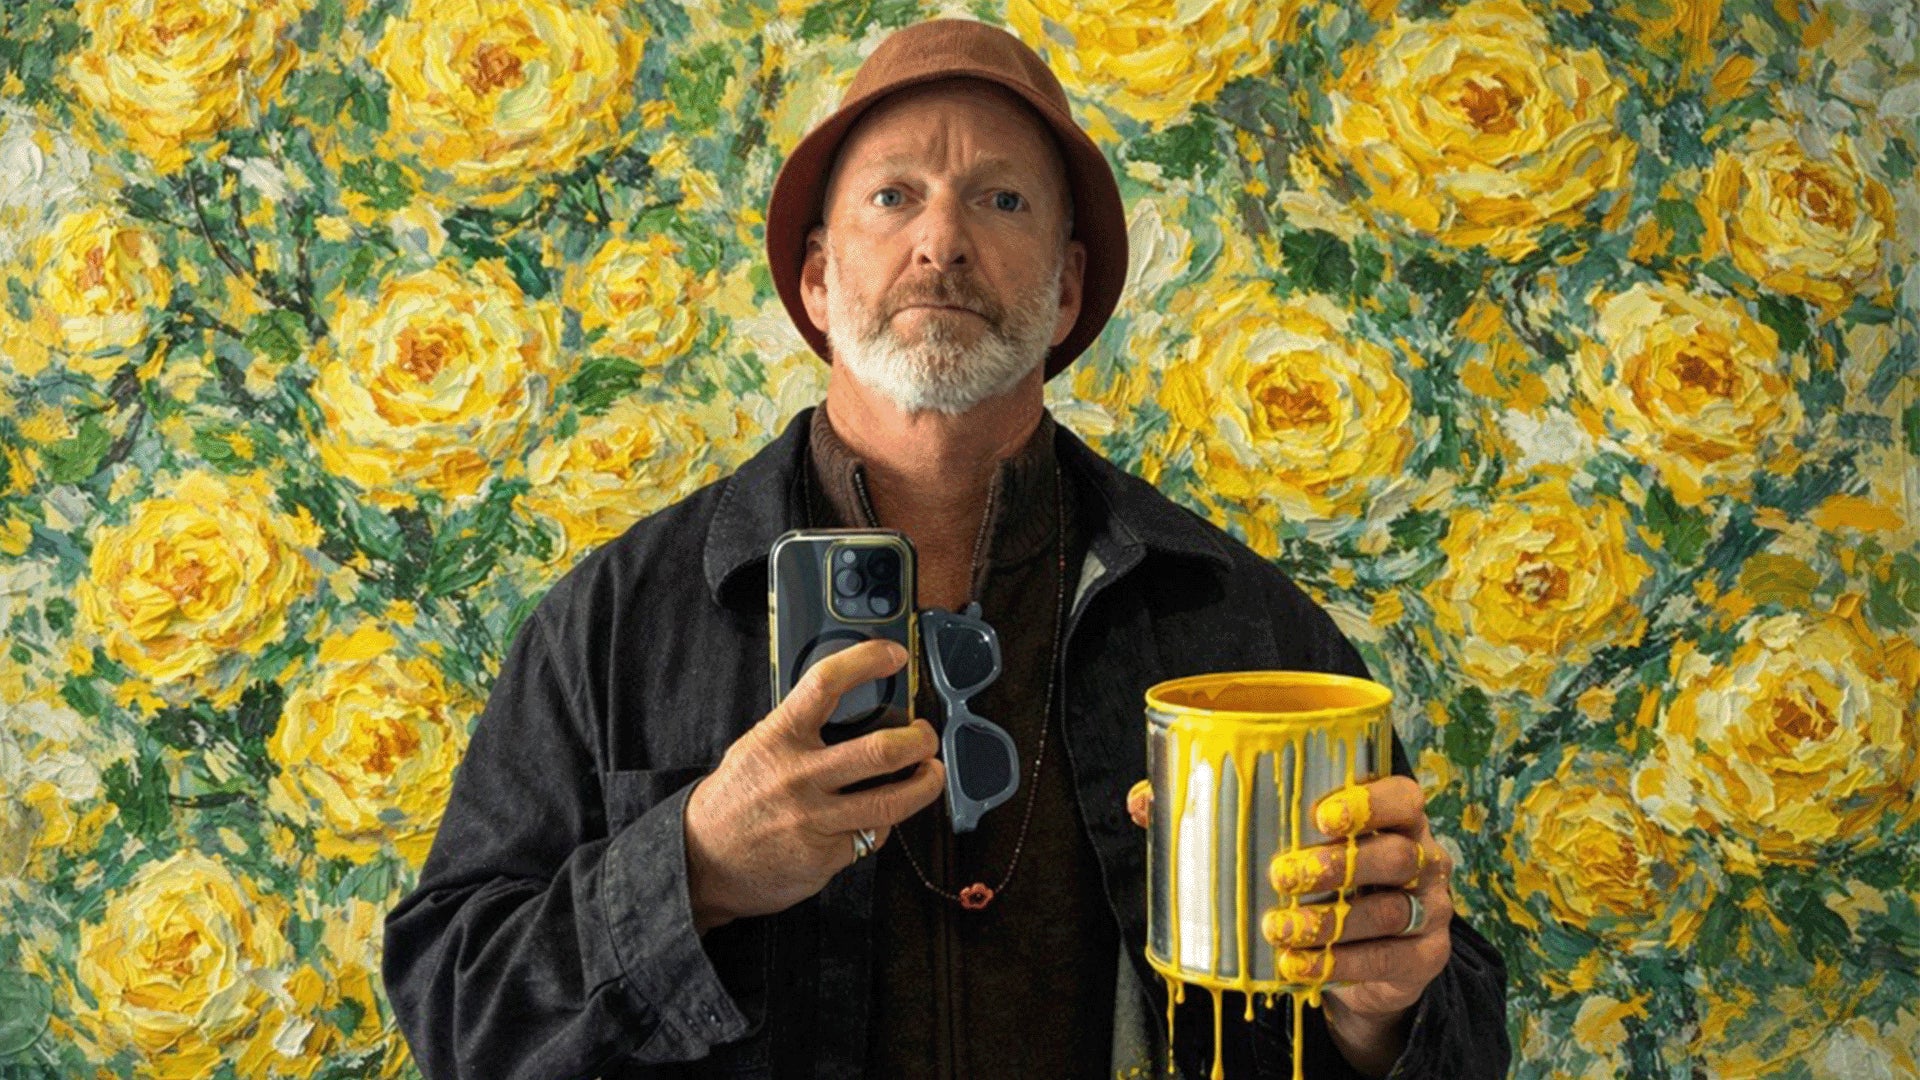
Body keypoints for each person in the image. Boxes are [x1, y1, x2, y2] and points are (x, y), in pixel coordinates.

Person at [381, 18, 1510, 1080]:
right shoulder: (619, 617)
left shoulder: (1237, 624)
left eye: (1002, 199)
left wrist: (1382, 1007)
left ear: (1067, 287)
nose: (942, 242)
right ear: (819, 281)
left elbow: (1458, 1030)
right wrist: (696, 866)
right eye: (893, 196)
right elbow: (452, 1007)